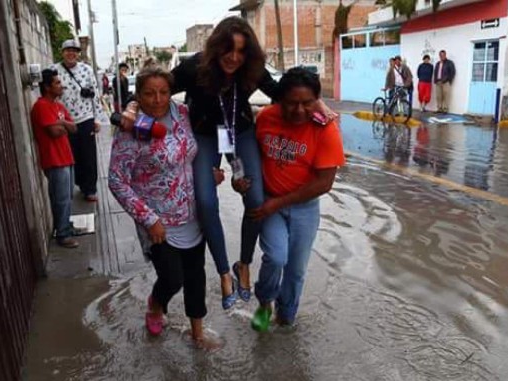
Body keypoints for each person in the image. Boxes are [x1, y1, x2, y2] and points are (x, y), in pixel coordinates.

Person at [146, 16, 335, 310]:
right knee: (206, 202)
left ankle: (243, 264)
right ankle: (223, 271)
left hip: (240, 132)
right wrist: (134, 107)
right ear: (216, 48)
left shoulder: (251, 69)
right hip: (206, 134)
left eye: (241, 51)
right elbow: (159, 86)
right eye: (228, 50)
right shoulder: (196, 67)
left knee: (256, 198)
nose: (234, 58)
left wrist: (318, 103)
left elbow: (280, 91)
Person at [108, 64, 219, 349]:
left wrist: (210, 175)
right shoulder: (130, 130)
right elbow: (116, 180)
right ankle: (156, 304)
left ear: (172, 92)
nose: (157, 100)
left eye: (163, 92)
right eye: (149, 94)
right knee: (172, 278)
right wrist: (148, 219)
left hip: (192, 212)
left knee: (196, 276)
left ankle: (197, 333)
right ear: (138, 96)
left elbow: (193, 153)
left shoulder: (182, 114)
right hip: (158, 219)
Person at [234, 68, 345, 331]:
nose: (298, 110)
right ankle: (264, 302)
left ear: (317, 100)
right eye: (291, 103)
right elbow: (245, 153)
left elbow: (324, 183)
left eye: (306, 103)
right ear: (279, 100)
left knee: (296, 271)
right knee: (275, 257)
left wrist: (279, 203)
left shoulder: (325, 129)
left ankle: (286, 315)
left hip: (304, 208)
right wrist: (238, 179)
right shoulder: (266, 117)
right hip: (270, 203)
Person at [51, 39, 107, 202]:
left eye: (74, 51)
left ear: (78, 53)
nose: (71, 54)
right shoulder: (54, 70)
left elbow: (95, 94)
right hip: (65, 120)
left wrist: (97, 119)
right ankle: (80, 183)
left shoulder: (86, 70)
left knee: (88, 155)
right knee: (73, 155)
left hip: (86, 117)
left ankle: (90, 189)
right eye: (68, 50)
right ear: (62, 52)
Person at [30, 69, 79, 248]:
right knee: (60, 198)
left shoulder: (58, 106)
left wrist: (62, 123)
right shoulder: (42, 106)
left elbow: (73, 128)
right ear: (47, 87)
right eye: (57, 83)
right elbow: (53, 132)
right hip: (54, 159)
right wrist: (63, 125)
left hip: (66, 157)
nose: (61, 86)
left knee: (67, 197)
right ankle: (63, 234)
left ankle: (67, 226)